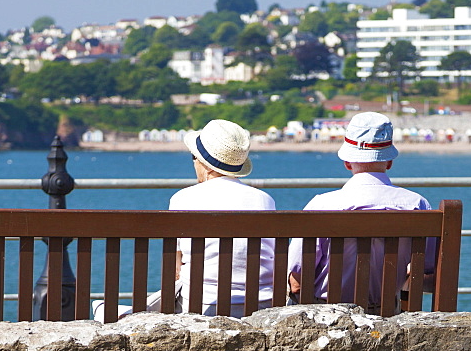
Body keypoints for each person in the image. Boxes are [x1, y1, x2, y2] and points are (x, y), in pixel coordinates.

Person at [93, 119, 275, 321]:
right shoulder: (265, 200)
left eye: (194, 157)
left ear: (204, 164)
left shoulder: (183, 198)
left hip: (202, 306)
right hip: (261, 305)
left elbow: (175, 267)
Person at [287, 111, 434, 313]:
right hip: (386, 316)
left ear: (347, 163)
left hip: (325, 317)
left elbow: (297, 280)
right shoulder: (418, 205)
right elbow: (427, 272)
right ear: (389, 162)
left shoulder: (322, 205)